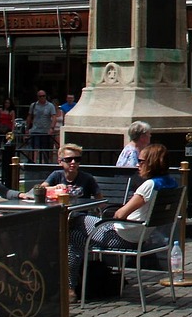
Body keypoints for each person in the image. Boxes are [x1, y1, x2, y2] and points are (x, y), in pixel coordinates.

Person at [68, 143, 168, 303]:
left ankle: (69, 286)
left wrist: (117, 214)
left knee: (75, 221)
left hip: (121, 237)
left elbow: (120, 214)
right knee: (75, 237)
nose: (137, 164)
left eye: (141, 161)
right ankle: (71, 287)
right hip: (141, 236)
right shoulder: (170, 183)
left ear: (151, 162)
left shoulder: (149, 185)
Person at [27, 90, 58, 157]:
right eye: (40, 96)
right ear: (38, 97)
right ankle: (34, 163)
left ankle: (45, 164)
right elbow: (30, 116)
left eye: (44, 96)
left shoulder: (50, 106)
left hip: (45, 131)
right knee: (34, 148)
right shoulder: (33, 105)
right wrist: (27, 128)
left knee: (45, 149)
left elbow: (54, 117)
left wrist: (52, 128)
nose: (42, 97)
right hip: (35, 130)